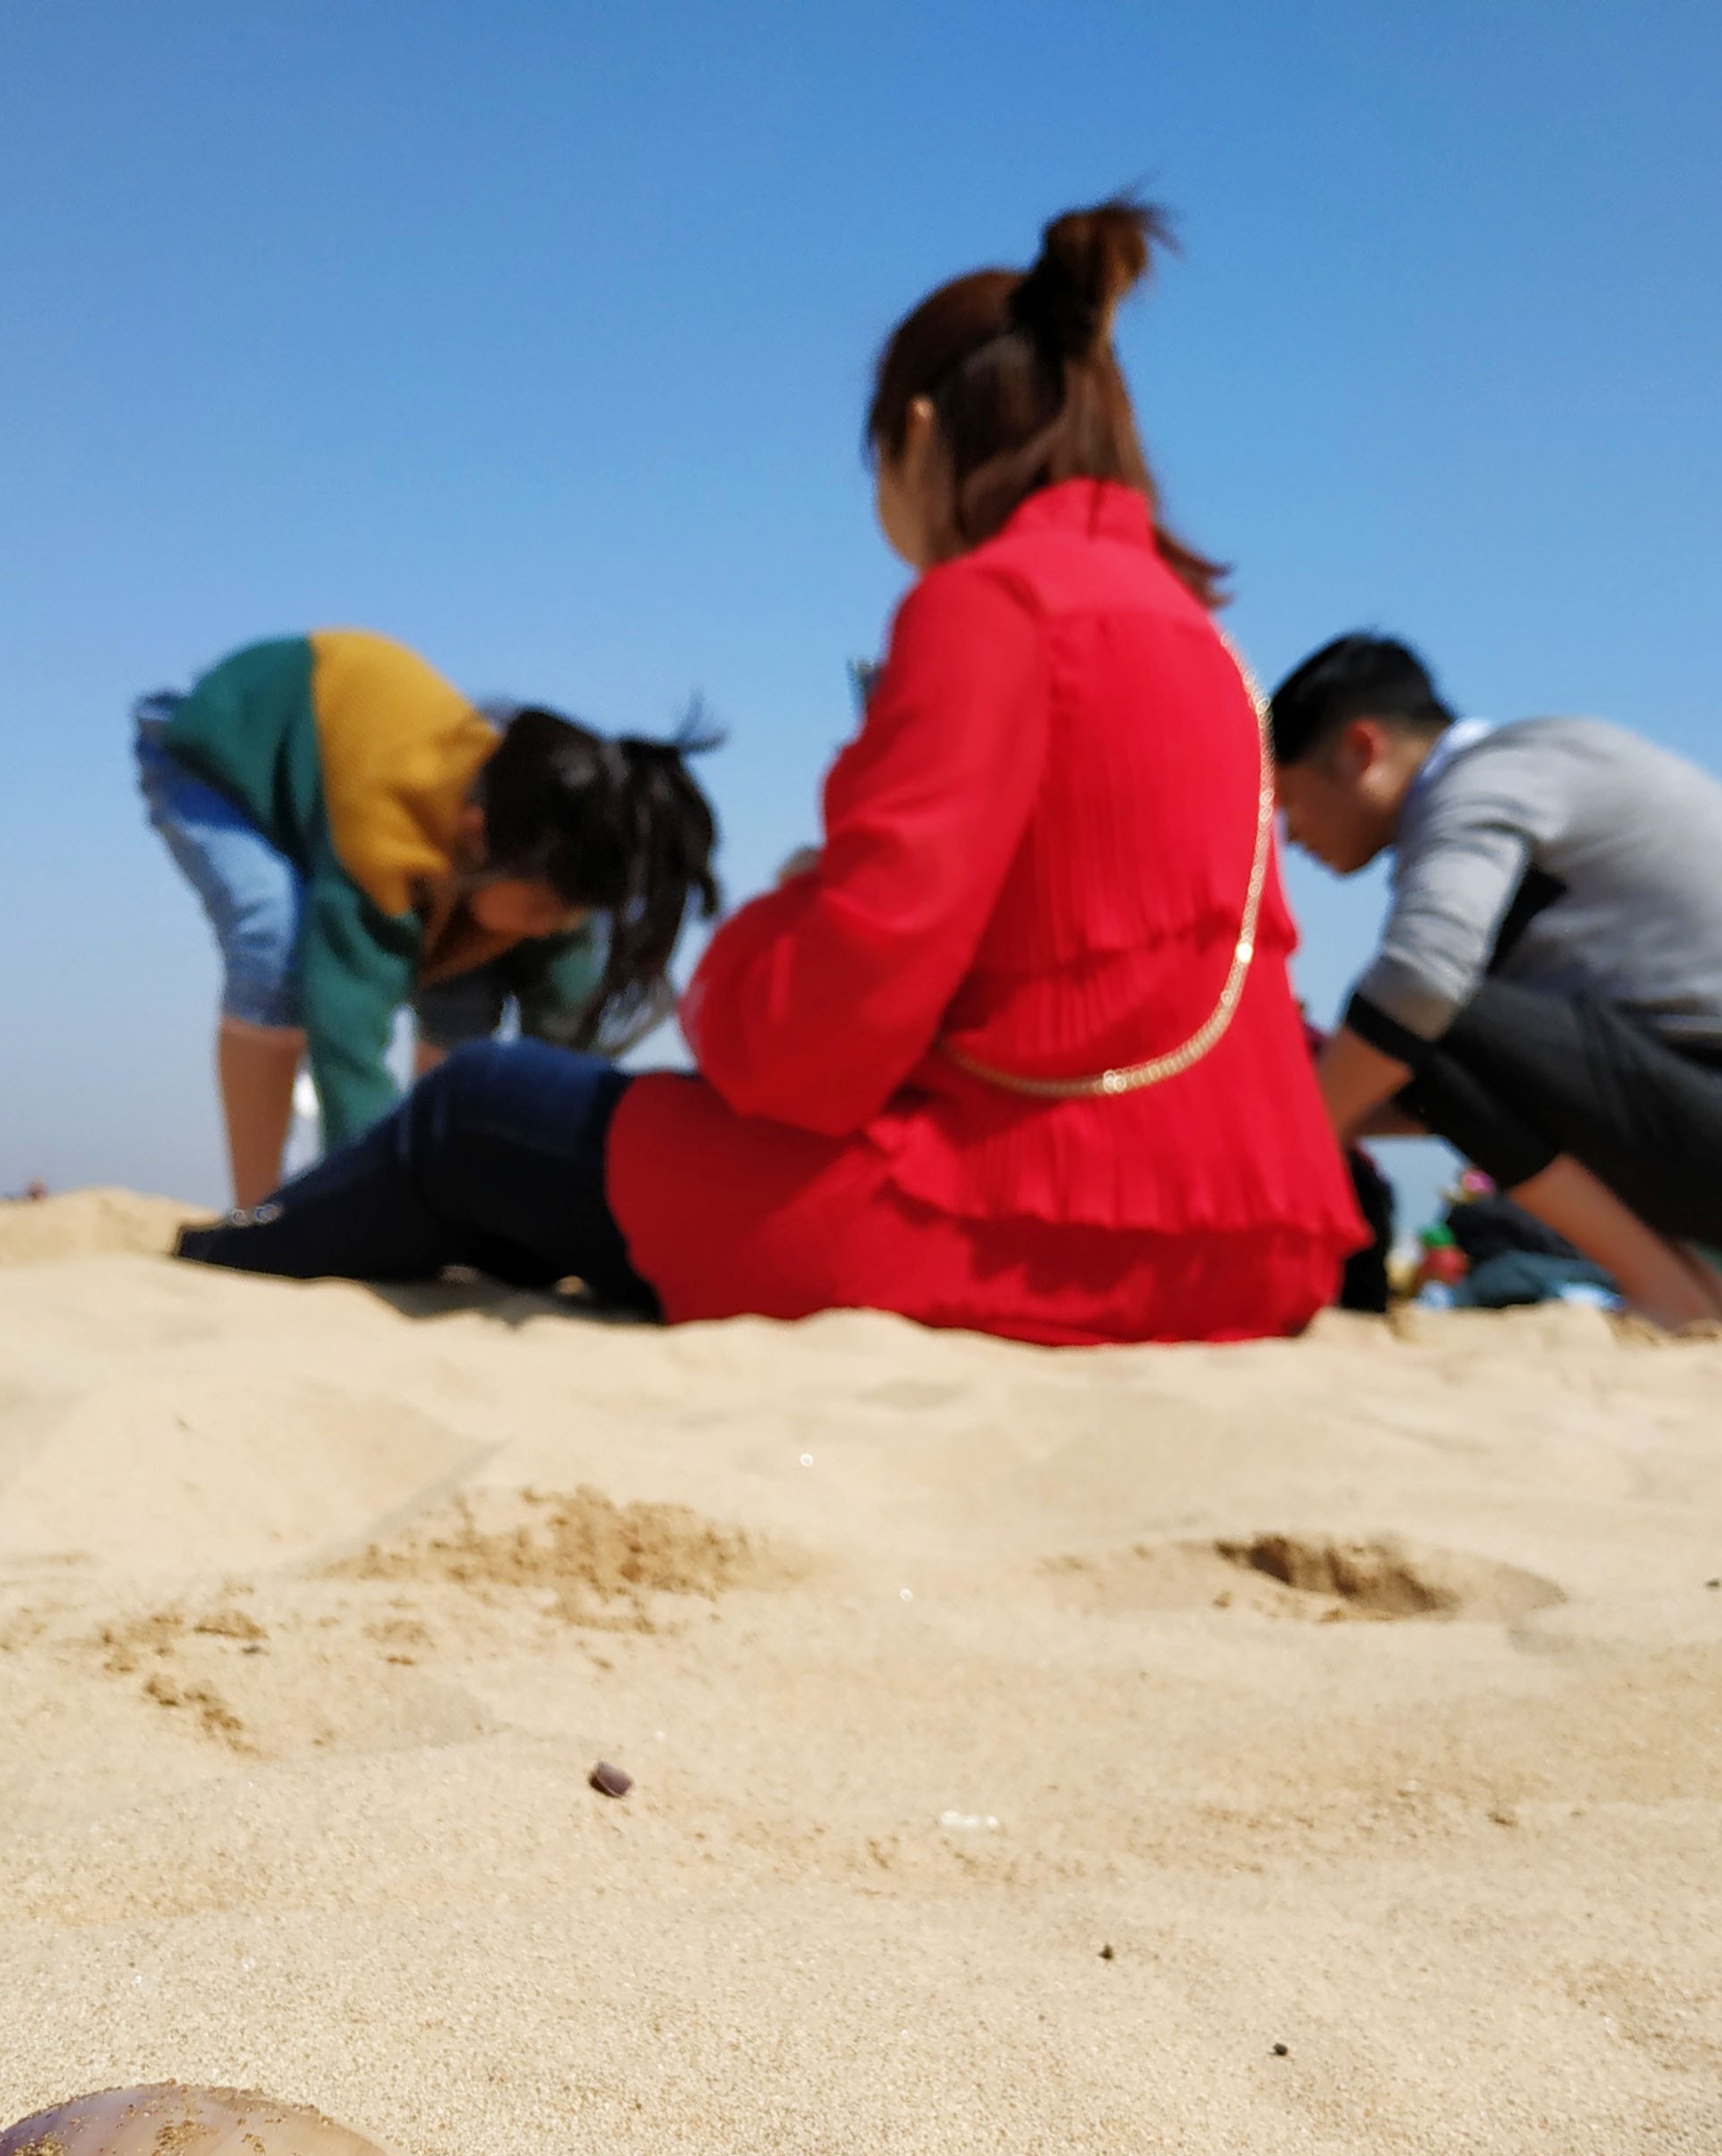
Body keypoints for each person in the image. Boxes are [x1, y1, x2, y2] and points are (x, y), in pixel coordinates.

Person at [179, 204, 1366, 1345]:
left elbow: (820, 1038)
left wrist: (771, 925)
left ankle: (225, 1259)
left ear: (914, 433)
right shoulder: (1209, 646)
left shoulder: (988, 606)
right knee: (534, 1147)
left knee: (474, 1110)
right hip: (1253, 1242)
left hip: (1013, 1223)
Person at [1273, 636, 1722, 1327]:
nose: (1289, 838)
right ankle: (1706, 1299)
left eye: (1288, 802)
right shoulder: (1539, 772)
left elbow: (1422, 983)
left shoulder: (1490, 779)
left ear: (1359, 749)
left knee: (1424, 1013)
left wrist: (1286, 1142)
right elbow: (1464, 1086)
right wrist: (1338, 1115)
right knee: (1414, 1037)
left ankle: (1668, 1291)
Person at [135, 636, 723, 1206]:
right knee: (277, 940)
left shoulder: (550, 861)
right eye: (545, 909)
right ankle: (257, 1207)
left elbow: (567, 1048)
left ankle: (451, 1189)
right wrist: (366, 1198)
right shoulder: (382, 845)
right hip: (221, 747)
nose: (553, 926)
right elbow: (348, 1051)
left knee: (471, 985)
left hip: (375, 806)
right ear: (476, 834)